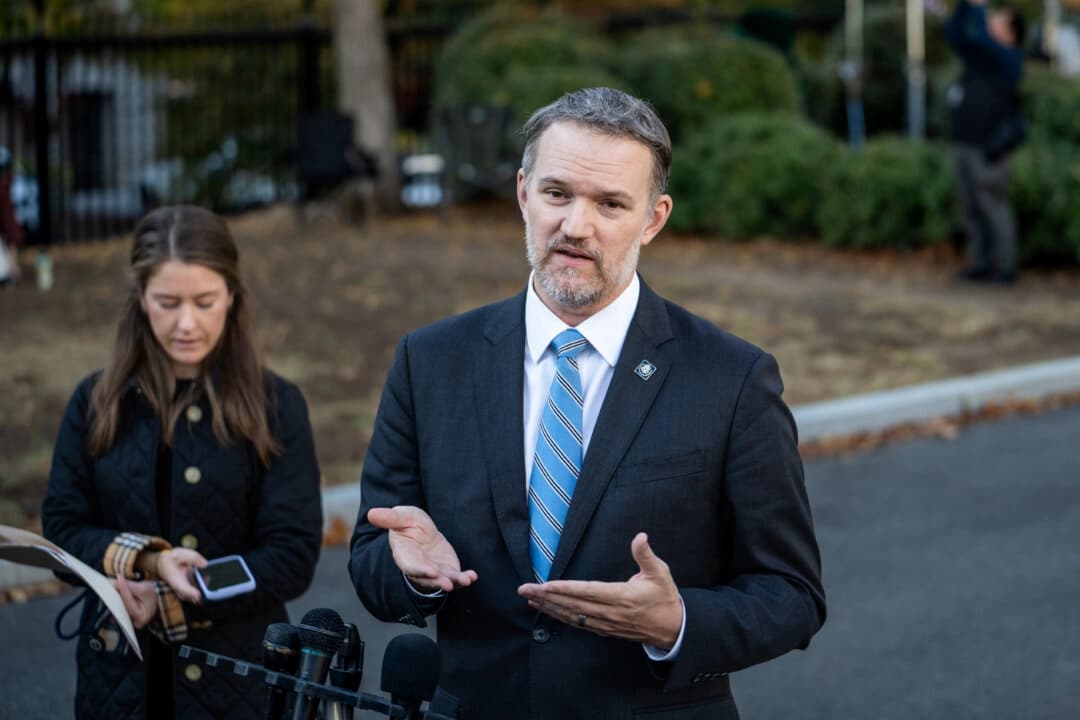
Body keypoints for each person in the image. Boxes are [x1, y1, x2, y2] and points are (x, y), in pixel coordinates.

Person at [348, 87, 825, 719]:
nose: (576, 226)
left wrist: (677, 621)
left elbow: (792, 594)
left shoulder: (732, 379)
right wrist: (411, 574)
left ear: (653, 219)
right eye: (557, 194)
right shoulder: (430, 361)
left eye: (610, 203)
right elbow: (370, 555)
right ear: (524, 193)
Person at [42, 205, 323, 719]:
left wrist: (174, 598)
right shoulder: (96, 402)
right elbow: (62, 527)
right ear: (141, 298)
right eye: (167, 303)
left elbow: (291, 555)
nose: (186, 323)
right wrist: (148, 562)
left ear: (232, 296)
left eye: (204, 301)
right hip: (116, 680)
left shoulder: (277, 405)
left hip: (236, 680)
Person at [945, 0, 1026, 284]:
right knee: (971, 207)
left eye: (999, 20)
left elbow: (983, 38)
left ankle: (1005, 265)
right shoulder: (979, 55)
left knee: (993, 205)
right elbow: (954, 33)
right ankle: (980, 262)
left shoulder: (1009, 59)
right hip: (964, 141)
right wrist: (965, 6)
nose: (991, 21)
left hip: (989, 147)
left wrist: (978, 8)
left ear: (1011, 33)